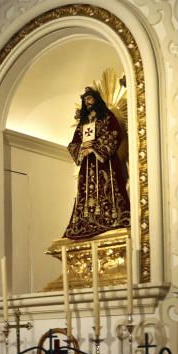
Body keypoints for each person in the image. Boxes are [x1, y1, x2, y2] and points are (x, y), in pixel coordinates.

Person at [63, 86, 130, 240]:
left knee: (106, 186)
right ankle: (86, 221)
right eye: (85, 100)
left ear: (96, 99)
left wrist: (94, 147)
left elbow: (114, 134)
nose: (88, 102)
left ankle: (111, 217)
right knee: (86, 190)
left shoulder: (107, 116)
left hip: (104, 162)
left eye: (90, 98)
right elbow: (73, 143)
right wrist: (81, 148)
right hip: (87, 165)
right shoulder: (83, 123)